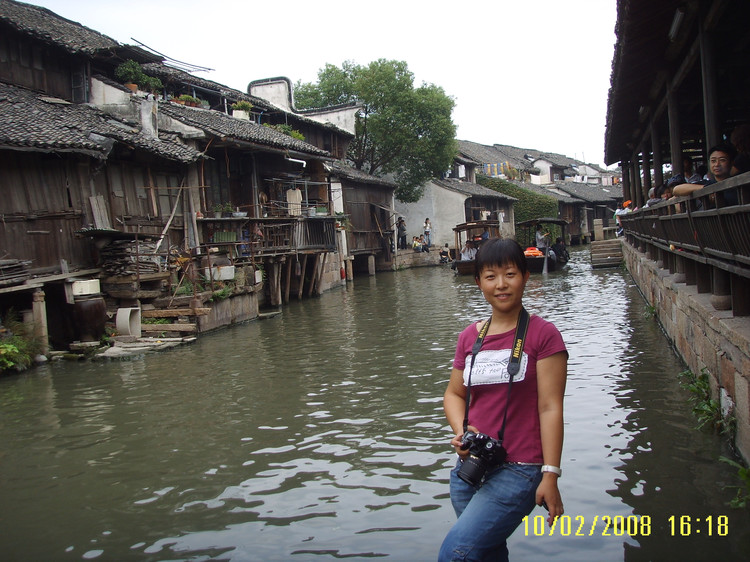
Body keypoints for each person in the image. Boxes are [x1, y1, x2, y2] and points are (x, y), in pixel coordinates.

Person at [439, 238, 568, 561]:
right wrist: (463, 431)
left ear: (526, 277)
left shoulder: (543, 335)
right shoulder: (470, 336)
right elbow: (454, 394)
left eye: (510, 274)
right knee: (487, 554)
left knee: (455, 553)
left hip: (521, 470)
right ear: (478, 282)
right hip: (470, 468)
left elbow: (551, 408)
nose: (501, 285)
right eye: (491, 276)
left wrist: (550, 474)